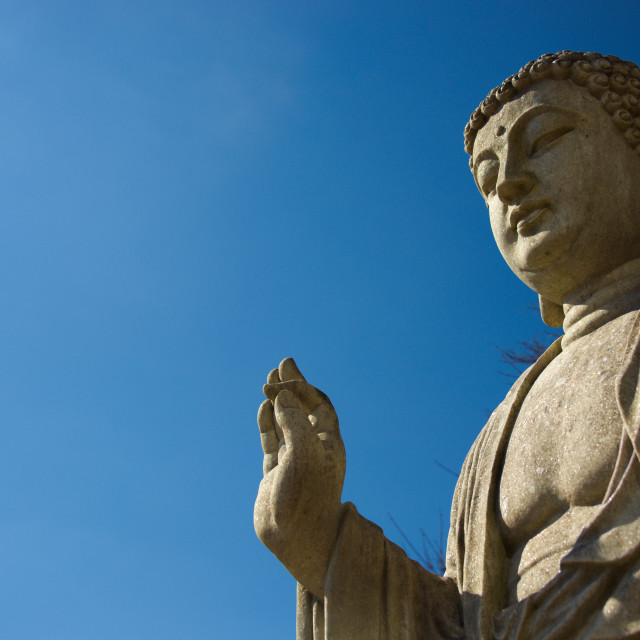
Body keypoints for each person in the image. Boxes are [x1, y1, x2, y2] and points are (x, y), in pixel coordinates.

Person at [254, 51, 640, 639]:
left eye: (548, 138)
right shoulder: (497, 438)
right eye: (488, 177)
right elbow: (459, 622)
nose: (510, 181)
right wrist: (318, 538)